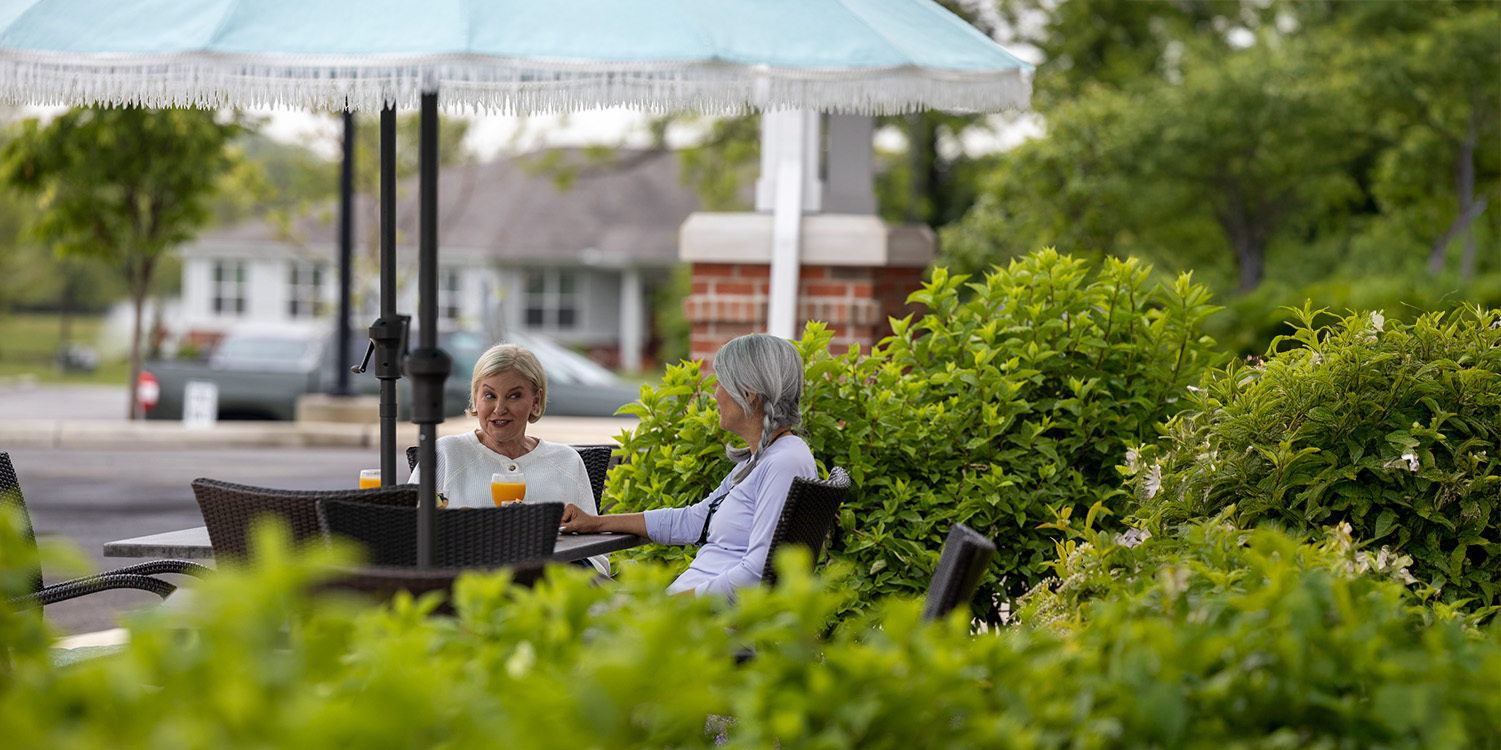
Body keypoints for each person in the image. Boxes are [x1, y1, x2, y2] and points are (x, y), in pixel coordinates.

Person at [560, 333, 817, 598]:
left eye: (720, 383)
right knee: (567, 574)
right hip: (683, 610)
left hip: (694, 622)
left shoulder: (784, 463)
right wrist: (596, 522)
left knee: (560, 576)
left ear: (749, 393)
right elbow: (695, 520)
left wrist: (667, 609)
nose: (714, 394)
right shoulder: (764, 458)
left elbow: (757, 576)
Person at [410, 342, 608, 575]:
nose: (499, 408)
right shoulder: (445, 453)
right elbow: (409, 535)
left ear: (535, 401)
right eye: (489, 395)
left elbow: (597, 557)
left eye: (514, 396)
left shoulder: (566, 461)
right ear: (476, 397)